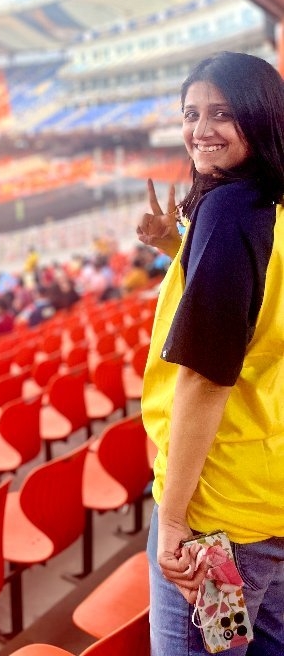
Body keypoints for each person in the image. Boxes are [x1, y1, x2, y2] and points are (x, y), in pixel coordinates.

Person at [138, 52, 284, 655]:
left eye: (222, 112)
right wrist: (175, 242)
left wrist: (174, 521)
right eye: (191, 112)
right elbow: (257, 308)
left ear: (261, 115)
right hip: (268, 490)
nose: (201, 128)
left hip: (216, 519)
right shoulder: (268, 204)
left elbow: (206, 375)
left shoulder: (229, 210)